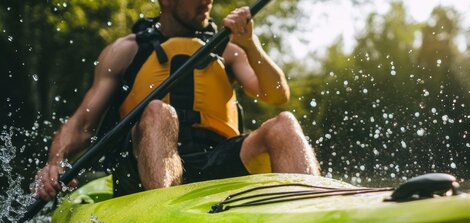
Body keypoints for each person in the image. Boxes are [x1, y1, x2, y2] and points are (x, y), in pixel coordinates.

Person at [34, 0, 320, 201]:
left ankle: (312, 207)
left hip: (214, 160)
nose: (207, 0)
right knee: (158, 110)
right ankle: (164, 211)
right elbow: (82, 124)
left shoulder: (228, 50)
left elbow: (277, 95)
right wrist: (55, 162)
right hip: (143, 168)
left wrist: (250, 44)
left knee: (284, 125)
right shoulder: (125, 51)